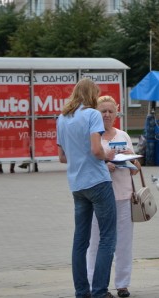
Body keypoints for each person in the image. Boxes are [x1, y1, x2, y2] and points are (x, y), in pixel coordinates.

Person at [56, 78, 117, 298]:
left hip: (77, 185)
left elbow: (62, 157)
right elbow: (95, 150)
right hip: (98, 181)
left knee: (80, 240)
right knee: (108, 237)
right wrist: (107, 155)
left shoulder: (62, 118)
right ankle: (100, 291)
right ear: (93, 94)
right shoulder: (93, 114)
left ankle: (82, 292)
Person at [86, 95, 141, 298]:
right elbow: (89, 165)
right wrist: (104, 165)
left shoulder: (124, 135)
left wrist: (130, 159)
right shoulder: (93, 136)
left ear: (117, 112)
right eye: (103, 111)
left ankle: (123, 284)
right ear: (96, 113)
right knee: (97, 241)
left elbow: (136, 169)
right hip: (99, 197)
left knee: (124, 242)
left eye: (110, 111)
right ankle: (94, 282)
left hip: (123, 195)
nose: (107, 115)